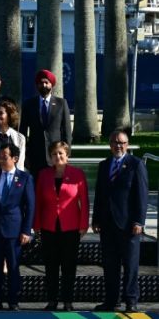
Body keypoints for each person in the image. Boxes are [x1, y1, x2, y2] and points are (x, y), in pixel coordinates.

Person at [93, 130, 148, 312]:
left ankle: (131, 300)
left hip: (128, 225)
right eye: (115, 142)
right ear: (110, 144)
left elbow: (141, 195)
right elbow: (100, 195)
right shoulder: (104, 165)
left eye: (122, 142)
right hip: (108, 224)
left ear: (127, 144)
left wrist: (139, 221)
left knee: (130, 265)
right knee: (110, 265)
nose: (119, 145)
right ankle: (111, 300)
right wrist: (96, 219)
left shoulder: (136, 164)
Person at [34, 141, 88, 311]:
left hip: (70, 227)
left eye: (61, 154)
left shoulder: (77, 174)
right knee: (50, 266)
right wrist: (36, 224)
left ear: (67, 155)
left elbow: (84, 202)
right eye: (54, 154)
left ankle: (67, 301)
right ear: (50, 157)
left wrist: (83, 225)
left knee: (68, 266)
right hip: (49, 226)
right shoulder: (43, 175)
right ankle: (52, 300)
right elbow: (38, 202)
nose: (57, 157)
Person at [0, 143, 34, 311]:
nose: (1, 160)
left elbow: (30, 205)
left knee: (13, 267)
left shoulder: (25, 178)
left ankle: (13, 301)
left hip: (14, 230)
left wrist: (26, 230)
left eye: (5, 157)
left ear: (15, 159)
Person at [19, 69, 72, 176]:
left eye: (46, 82)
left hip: (56, 155)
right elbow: (22, 132)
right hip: (35, 155)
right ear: (37, 85)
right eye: (41, 83)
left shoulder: (61, 103)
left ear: (51, 85)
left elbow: (66, 131)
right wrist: (24, 153)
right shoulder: (29, 104)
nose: (43, 85)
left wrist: (66, 153)